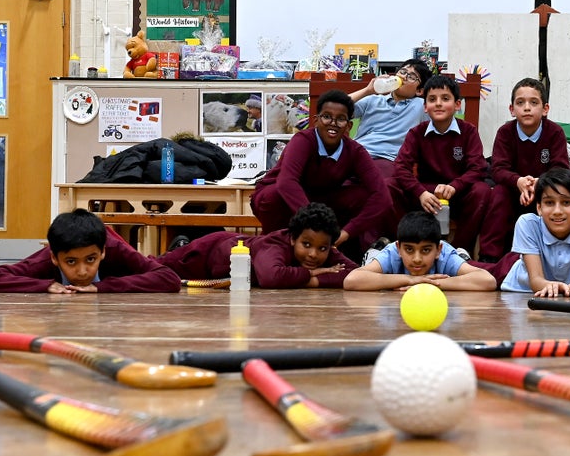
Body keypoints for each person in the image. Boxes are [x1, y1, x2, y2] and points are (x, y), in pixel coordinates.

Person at [249, 89, 391, 262]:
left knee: (360, 195)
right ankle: (276, 248)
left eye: (340, 119)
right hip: (285, 199)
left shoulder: (355, 151)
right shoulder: (303, 140)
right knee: (274, 196)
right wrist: (316, 223)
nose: (333, 123)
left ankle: (344, 250)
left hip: (321, 200)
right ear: (316, 120)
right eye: (327, 116)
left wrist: (348, 231)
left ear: (348, 126)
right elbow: (287, 182)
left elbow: (382, 196)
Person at [0, 208, 180, 293]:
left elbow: (169, 279)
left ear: (102, 252)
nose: (82, 271)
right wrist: (44, 285)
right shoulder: (44, 261)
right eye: (71, 262)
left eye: (90, 259)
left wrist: (103, 287)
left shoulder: (114, 250)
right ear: (55, 257)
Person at [393, 74, 491, 255]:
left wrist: (455, 186)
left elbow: (478, 167)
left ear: (457, 105)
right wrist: (420, 192)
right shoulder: (416, 133)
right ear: (425, 107)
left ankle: (460, 250)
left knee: (481, 191)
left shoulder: (468, 131)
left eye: (445, 98)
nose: (438, 103)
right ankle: (400, 245)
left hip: (458, 193)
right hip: (425, 194)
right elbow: (401, 167)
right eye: (432, 99)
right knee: (389, 186)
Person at [477, 77, 570, 262]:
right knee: (499, 194)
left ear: (545, 109)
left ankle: (552, 257)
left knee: (555, 197)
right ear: (512, 110)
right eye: (520, 103)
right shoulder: (505, 132)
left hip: (544, 190)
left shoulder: (555, 132)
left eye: (533, 102)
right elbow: (498, 168)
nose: (527, 108)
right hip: (513, 191)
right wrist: (518, 181)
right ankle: (489, 258)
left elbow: (560, 168)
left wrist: (539, 183)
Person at [472, 167, 570, 296]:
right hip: (515, 279)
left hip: (547, 280)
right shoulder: (527, 223)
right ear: (539, 207)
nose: (557, 211)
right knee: (480, 272)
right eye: (549, 203)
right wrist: (557, 286)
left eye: (566, 202)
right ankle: (457, 259)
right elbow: (536, 281)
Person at [157, 203, 355, 288]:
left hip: (220, 265)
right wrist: (314, 274)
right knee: (152, 268)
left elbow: (356, 274)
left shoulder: (320, 246)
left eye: (323, 249)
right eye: (306, 244)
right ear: (293, 238)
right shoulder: (275, 244)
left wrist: (319, 275)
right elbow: (272, 277)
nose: (313, 254)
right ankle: (180, 246)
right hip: (206, 253)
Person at [343, 211, 496, 292]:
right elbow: (352, 280)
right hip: (387, 252)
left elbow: (487, 281)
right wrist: (410, 280)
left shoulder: (444, 254)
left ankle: (461, 256)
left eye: (426, 250)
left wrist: (430, 284)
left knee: (460, 262)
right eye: (409, 249)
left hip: (449, 254)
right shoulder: (392, 252)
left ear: (438, 250)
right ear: (399, 249)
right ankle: (375, 252)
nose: (417, 258)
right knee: (375, 262)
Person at [348, 58, 433, 179]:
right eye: (402, 72)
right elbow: (336, 107)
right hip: (357, 152)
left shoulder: (420, 106)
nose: (403, 77)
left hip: (387, 158)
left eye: (411, 77)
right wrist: (367, 90)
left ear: (419, 91)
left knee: (379, 182)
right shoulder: (373, 99)